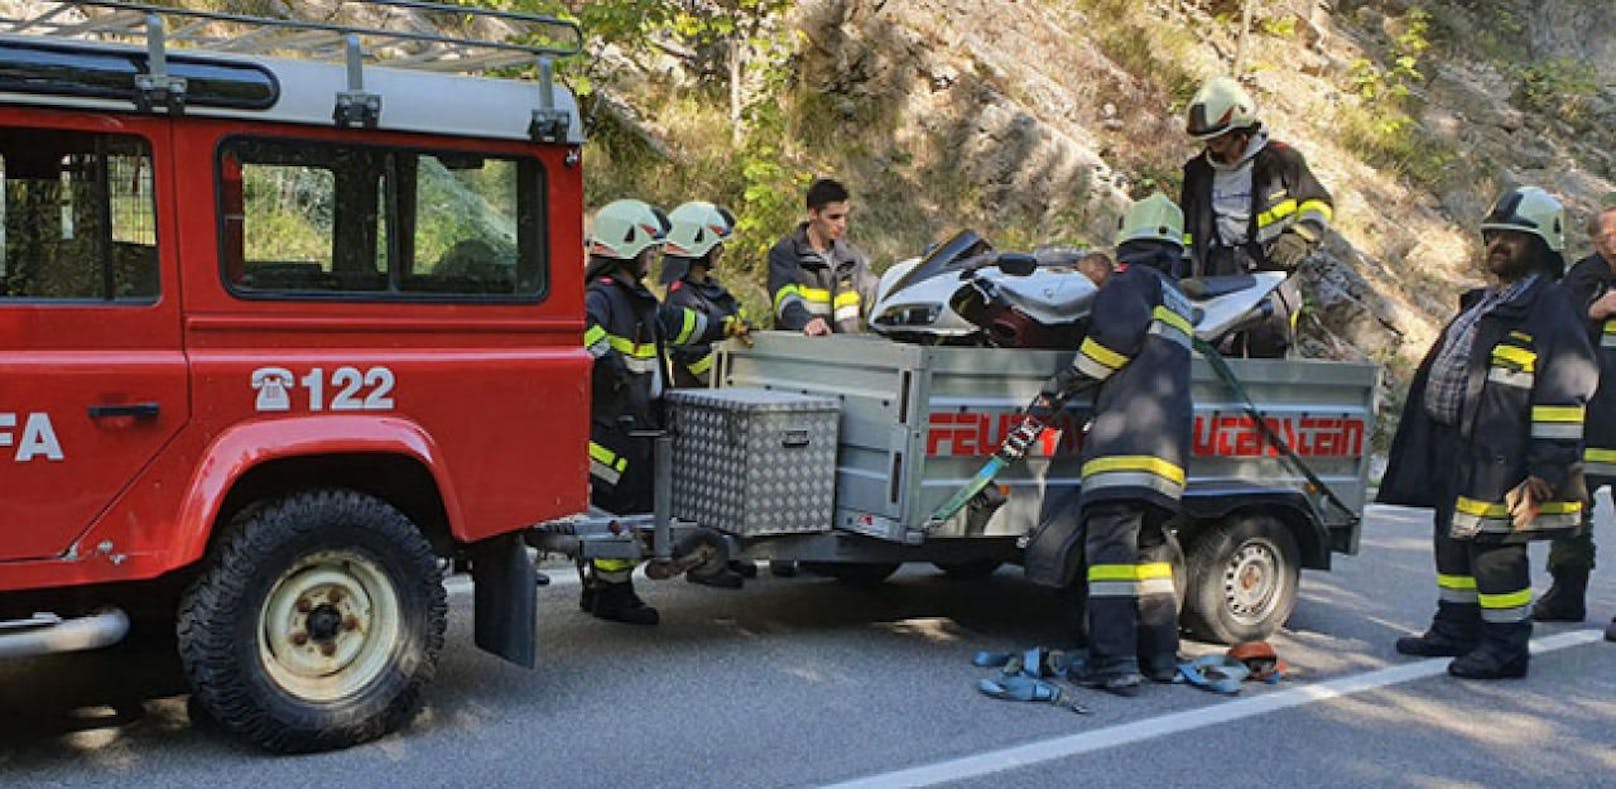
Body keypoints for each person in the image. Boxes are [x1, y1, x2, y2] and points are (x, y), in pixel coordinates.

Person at [1377, 186, 1598, 679]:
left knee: (1495, 549)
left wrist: (1546, 470)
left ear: (1541, 246)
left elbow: (1567, 391)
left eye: (1512, 237)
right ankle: (1454, 627)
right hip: (1458, 447)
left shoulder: (1551, 310)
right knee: (1453, 541)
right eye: (1493, 234)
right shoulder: (1488, 302)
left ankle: (1505, 646)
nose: (1497, 243)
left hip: (1507, 458)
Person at [1013, 193, 1195, 696]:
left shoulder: (1130, 280)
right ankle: (1161, 657)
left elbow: (1114, 338)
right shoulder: (1176, 296)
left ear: (1127, 238)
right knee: (1151, 553)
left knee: (1111, 553)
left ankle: (1113, 662)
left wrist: (1069, 380)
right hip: (1170, 447)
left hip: (1126, 442)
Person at [582, 199, 745, 624]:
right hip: (611, 431)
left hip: (632, 426)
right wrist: (608, 365)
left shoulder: (638, 300)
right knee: (618, 512)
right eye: (650, 252)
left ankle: (601, 590)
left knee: (624, 507)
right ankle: (613, 596)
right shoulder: (601, 296)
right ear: (627, 246)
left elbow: (675, 325)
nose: (656, 260)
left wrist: (723, 327)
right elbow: (581, 328)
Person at [1179, 75, 1333, 358]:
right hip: (1217, 269)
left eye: (1220, 140)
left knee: (1269, 345)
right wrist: (1185, 268)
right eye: (1208, 141)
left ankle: (1265, 401)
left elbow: (1318, 203)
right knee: (1205, 346)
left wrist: (1300, 238)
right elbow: (1187, 228)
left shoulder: (1281, 161)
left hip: (1270, 266)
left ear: (1243, 132)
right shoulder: (1197, 172)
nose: (1213, 147)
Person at [660, 200, 758, 589]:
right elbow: (690, 353)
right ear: (697, 245)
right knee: (706, 485)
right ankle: (705, 561)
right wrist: (727, 382)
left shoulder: (712, 289)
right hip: (702, 401)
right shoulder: (681, 295)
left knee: (728, 484)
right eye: (717, 244)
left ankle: (724, 554)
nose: (722, 251)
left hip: (725, 399)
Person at [1534, 202, 1616, 640]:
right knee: (1570, 515)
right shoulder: (1581, 280)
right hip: (1587, 421)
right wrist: (1596, 312)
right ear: (1596, 241)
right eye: (1608, 235)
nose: (1615, 241)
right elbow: (1557, 333)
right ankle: (1566, 593)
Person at [767, 178, 879, 336]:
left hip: (846, 355)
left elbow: (873, 296)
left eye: (844, 216)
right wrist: (805, 322)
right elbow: (784, 298)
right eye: (834, 217)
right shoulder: (786, 254)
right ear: (813, 214)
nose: (842, 224)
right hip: (800, 353)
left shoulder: (852, 260)